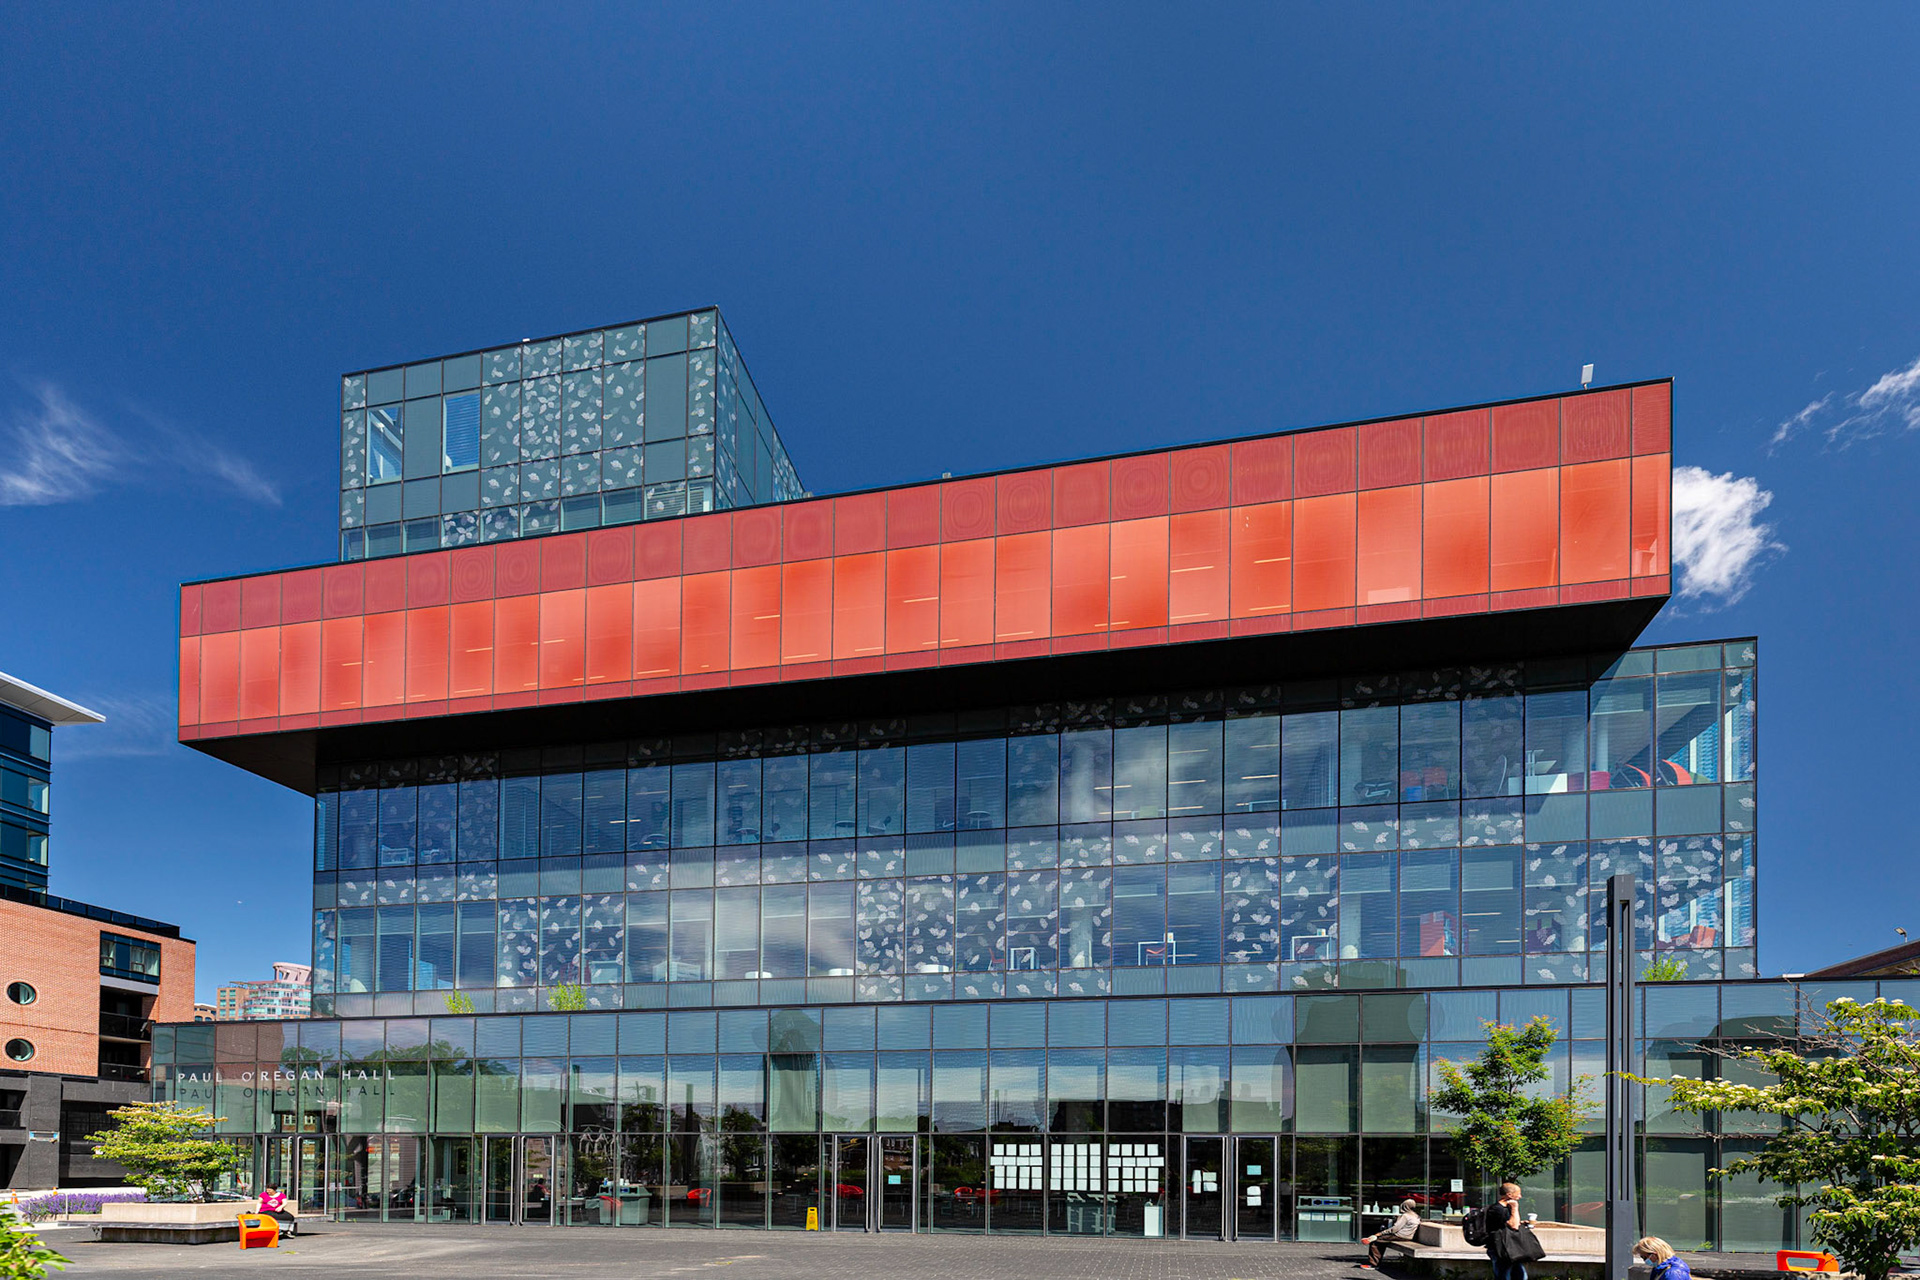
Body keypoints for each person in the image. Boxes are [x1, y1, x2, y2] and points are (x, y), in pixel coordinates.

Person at [1360, 1198, 1422, 1268]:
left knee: (1376, 1242)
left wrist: (1380, 1233)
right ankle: (1374, 1240)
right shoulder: (1416, 1216)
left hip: (1400, 1236)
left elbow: (1394, 1229)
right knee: (1381, 1240)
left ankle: (1374, 1264)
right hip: (1409, 1237)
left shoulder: (1405, 1216)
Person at [1483, 1182, 1526, 1280]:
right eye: (1518, 1194)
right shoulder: (1497, 1209)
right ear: (1509, 1195)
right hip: (1501, 1249)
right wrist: (1515, 1208)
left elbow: (1511, 1223)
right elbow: (1514, 1225)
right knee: (1504, 1276)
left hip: (1510, 1248)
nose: (1520, 1196)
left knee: (1520, 1275)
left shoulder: (1505, 1208)